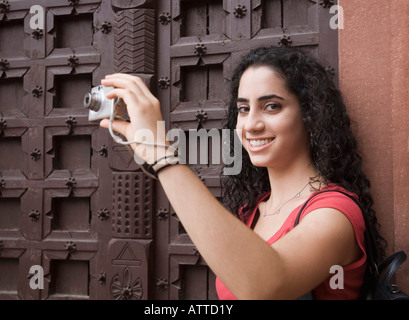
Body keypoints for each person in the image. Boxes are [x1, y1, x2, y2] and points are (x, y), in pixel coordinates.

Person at [99, 46, 385, 300]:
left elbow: (265, 286)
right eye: (244, 109)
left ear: (310, 117)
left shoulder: (335, 212)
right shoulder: (251, 211)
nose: (251, 125)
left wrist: (160, 153)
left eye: (272, 106)